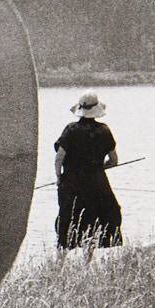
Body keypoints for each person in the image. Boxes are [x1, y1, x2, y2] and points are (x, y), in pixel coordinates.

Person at [54, 91, 122, 258]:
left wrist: (59, 177)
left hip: (71, 183)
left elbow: (59, 158)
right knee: (92, 219)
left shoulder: (70, 130)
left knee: (67, 219)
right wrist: (98, 169)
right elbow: (114, 160)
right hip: (97, 183)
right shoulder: (104, 130)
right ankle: (87, 263)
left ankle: (59, 264)